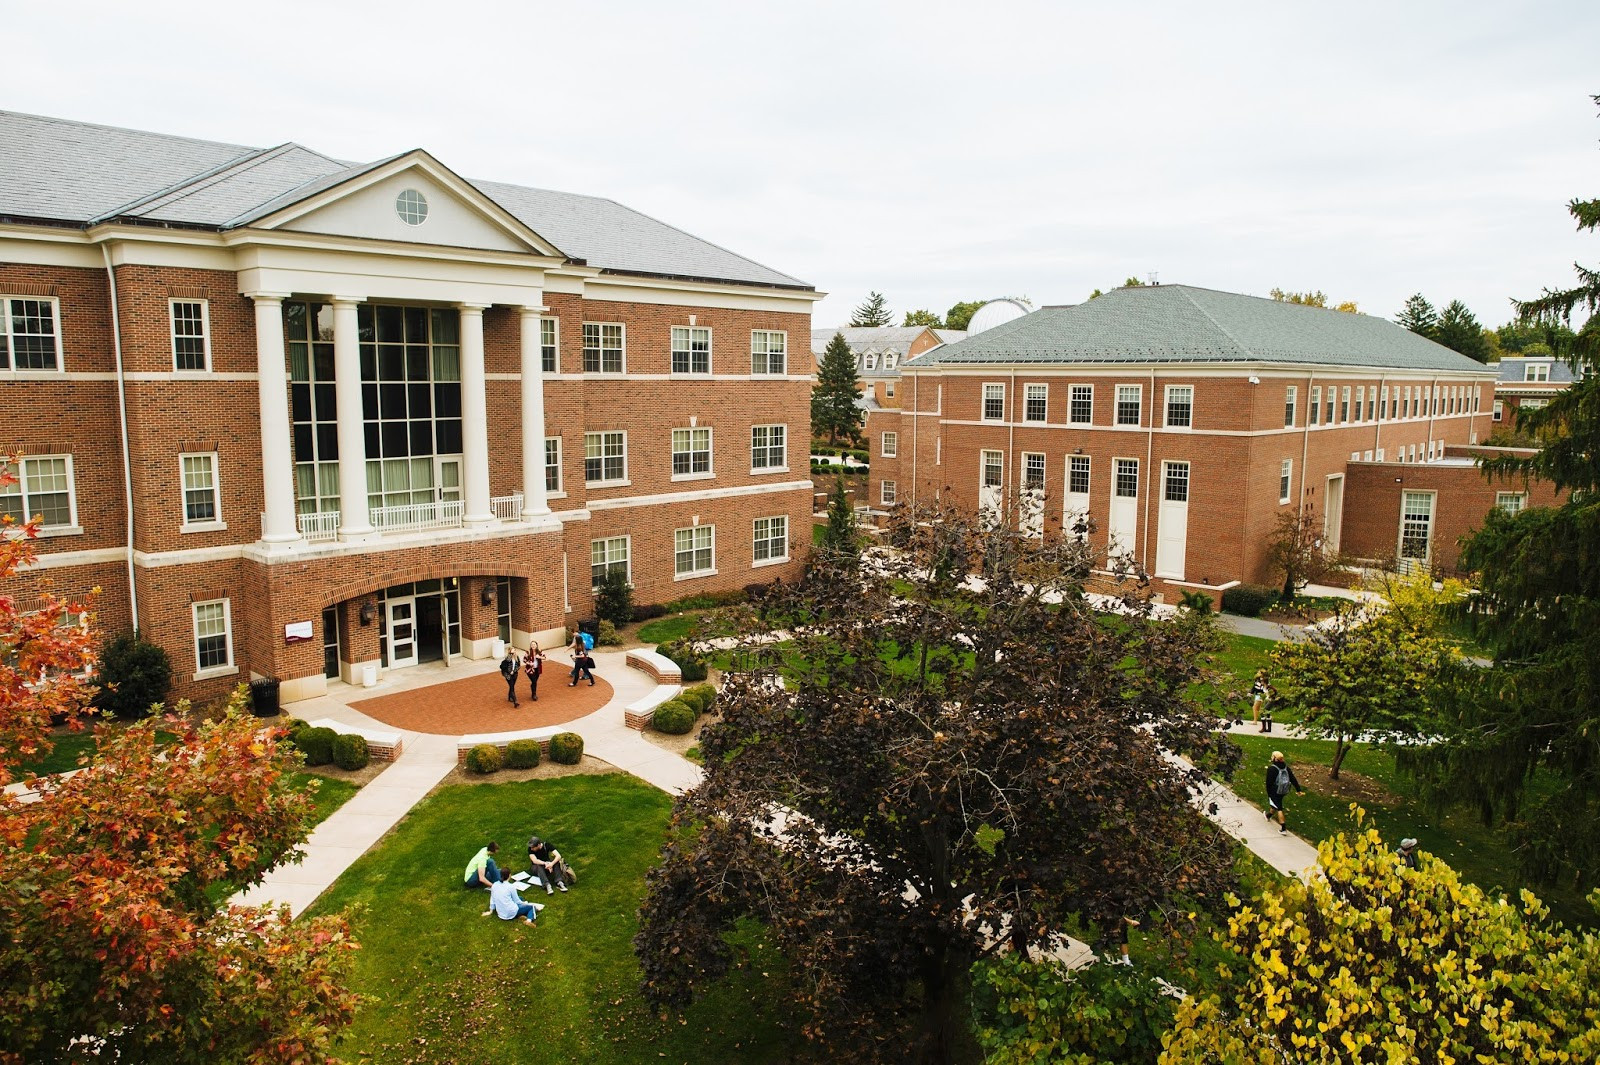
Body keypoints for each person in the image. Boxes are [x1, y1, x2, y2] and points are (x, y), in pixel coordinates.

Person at [1265, 752, 1304, 834]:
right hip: (1283, 790)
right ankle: (1268, 815)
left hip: (1275, 790)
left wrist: (1269, 794)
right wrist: (1298, 790)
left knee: (1279, 807)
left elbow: (1269, 783)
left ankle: (1283, 828)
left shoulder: (1272, 769)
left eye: (1272, 756)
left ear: (1275, 758)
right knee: (1276, 803)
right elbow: (1292, 778)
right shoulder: (1286, 767)